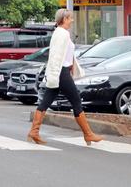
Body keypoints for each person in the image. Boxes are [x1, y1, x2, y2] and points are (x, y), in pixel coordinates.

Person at [28, 9, 103, 146]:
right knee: (76, 102)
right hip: (61, 73)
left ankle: (34, 131)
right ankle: (88, 134)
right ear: (64, 19)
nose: (72, 20)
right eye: (70, 18)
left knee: (46, 101)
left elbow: (62, 55)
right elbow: (57, 56)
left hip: (58, 73)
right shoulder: (63, 34)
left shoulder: (58, 33)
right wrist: (55, 74)